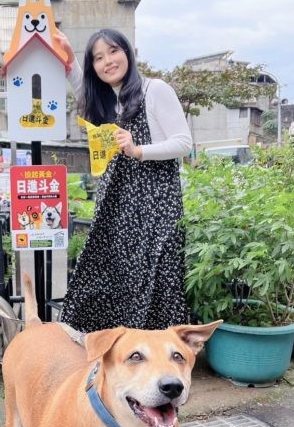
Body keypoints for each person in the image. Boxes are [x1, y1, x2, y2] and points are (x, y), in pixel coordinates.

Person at [55, 29, 192, 333]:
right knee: (110, 275)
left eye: (113, 52)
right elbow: (82, 87)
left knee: (157, 279)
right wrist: (68, 57)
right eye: (98, 58)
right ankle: (118, 350)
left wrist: (138, 150)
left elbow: (183, 142)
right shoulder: (109, 101)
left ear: (128, 53)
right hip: (117, 208)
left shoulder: (154, 90)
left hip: (156, 206)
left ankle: (159, 358)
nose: (108, 62)